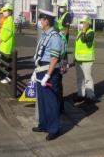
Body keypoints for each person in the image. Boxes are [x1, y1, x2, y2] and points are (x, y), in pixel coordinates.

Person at [31, 9, 62, 141]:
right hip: (41, 69)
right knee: (42, 101)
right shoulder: (45, 34)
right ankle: (43, 124)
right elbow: (40, 54)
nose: (39, 22)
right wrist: (36, 72)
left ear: (47, 21)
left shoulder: (55, 37)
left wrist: (47, 75)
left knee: (50, 102)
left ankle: (54, 129)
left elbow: (54, 59)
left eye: (41, 20)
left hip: (49, 71)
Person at [74, 15, 97, 103]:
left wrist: (83, 31)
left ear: (88, 23)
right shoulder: (80, 32)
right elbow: (78, 46)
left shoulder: (91, 32)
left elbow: (84, 40)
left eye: (83, 22)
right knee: (80, 78)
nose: (81, 24)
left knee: (87, 78)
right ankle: (81, 94)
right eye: (81, 23)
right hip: (78, 59)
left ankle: (90, 96)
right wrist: (75, 58)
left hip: (87, 60)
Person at [0, 3, 15, 84]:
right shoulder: (8, 20)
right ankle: (7, 76)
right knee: (6, 61)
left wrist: (0, 39)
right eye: (3, 11)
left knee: (7, 62)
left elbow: (7, 32)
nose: (3, 12)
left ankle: (9, 77)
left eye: (5, 11)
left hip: (6, 44)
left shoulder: (9, 20)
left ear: (10, 11)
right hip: (4, 44)